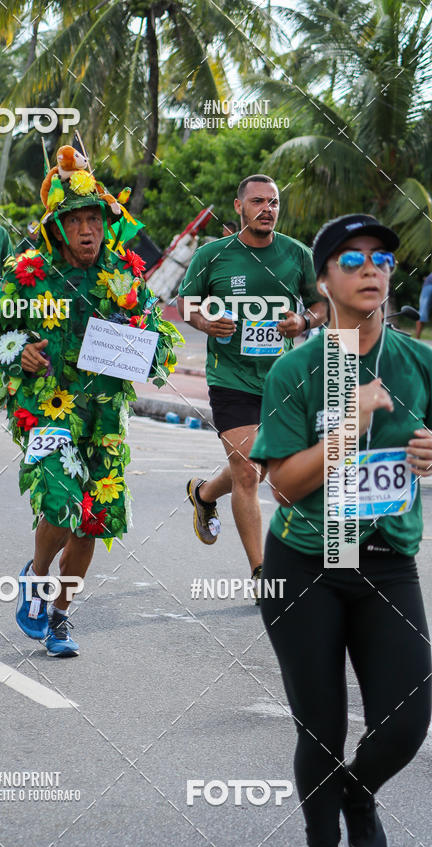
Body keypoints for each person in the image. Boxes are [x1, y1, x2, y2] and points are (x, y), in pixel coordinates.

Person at [250, 214, 432, 847]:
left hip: (386, 561)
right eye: (351, 258)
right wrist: (349, 426)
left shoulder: (418, 362)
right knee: (320, 723)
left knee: (410, 715)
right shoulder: (298, 369)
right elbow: (286, 484)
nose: (370, 268)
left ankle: (358, 794)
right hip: (305, 563)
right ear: (323, 280)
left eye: (380, 257)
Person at [0, 143, 182, 657]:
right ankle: (38, 580)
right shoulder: (27, 273)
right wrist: (18, 352)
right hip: (45, 409)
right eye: (76, 220)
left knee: (96, 517)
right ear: (56, 226)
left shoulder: (125, 275)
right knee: (62, 503)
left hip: (105, 414)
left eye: (94, 218)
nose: (88, 229)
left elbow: (163, 346)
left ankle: (61, 616)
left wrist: (140, 346)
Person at [177, 174, 327, 592]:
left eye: (274, 202)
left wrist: (303, 320)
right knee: (247, 471)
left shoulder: (297, 254)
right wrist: (205, 322)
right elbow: (184, 301)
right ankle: (261, 572)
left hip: (280, 381)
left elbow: (320, 304)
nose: (268, 209)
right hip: (230, 378)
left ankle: (204, 494)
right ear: (239, 207)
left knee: (262, 469)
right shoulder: (213, 254)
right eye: (259, 201)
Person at [415, 271, 432, 339]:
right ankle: (417, 339)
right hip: (429, 285)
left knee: (422, 313)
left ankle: (417, 339)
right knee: (422, 314)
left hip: (428, 285)